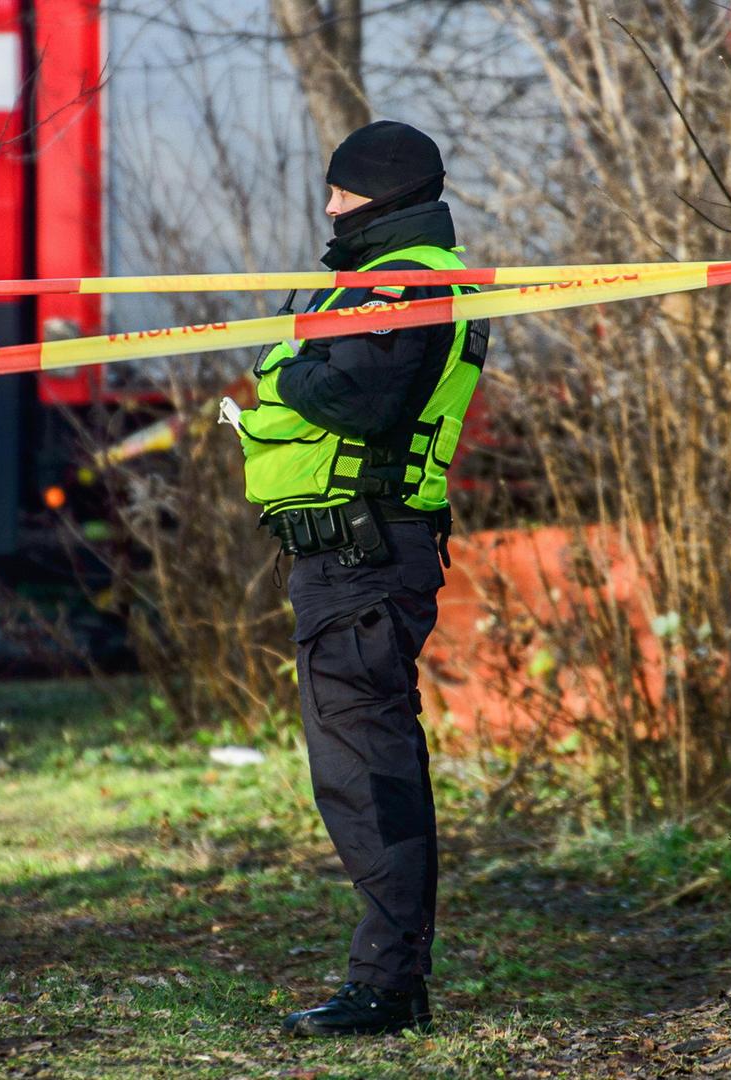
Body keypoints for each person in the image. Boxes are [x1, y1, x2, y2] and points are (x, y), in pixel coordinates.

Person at [228, 119, 489, 1038]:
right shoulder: (390, 283)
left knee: (364, 773)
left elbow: (360, 397)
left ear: (373, 194)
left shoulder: (405, 287)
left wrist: (289, 374)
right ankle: (390, 976)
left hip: (363, 558)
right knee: (365, 766)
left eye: (339, 191)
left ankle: (387, 987)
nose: (329, 206)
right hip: (353, 558)